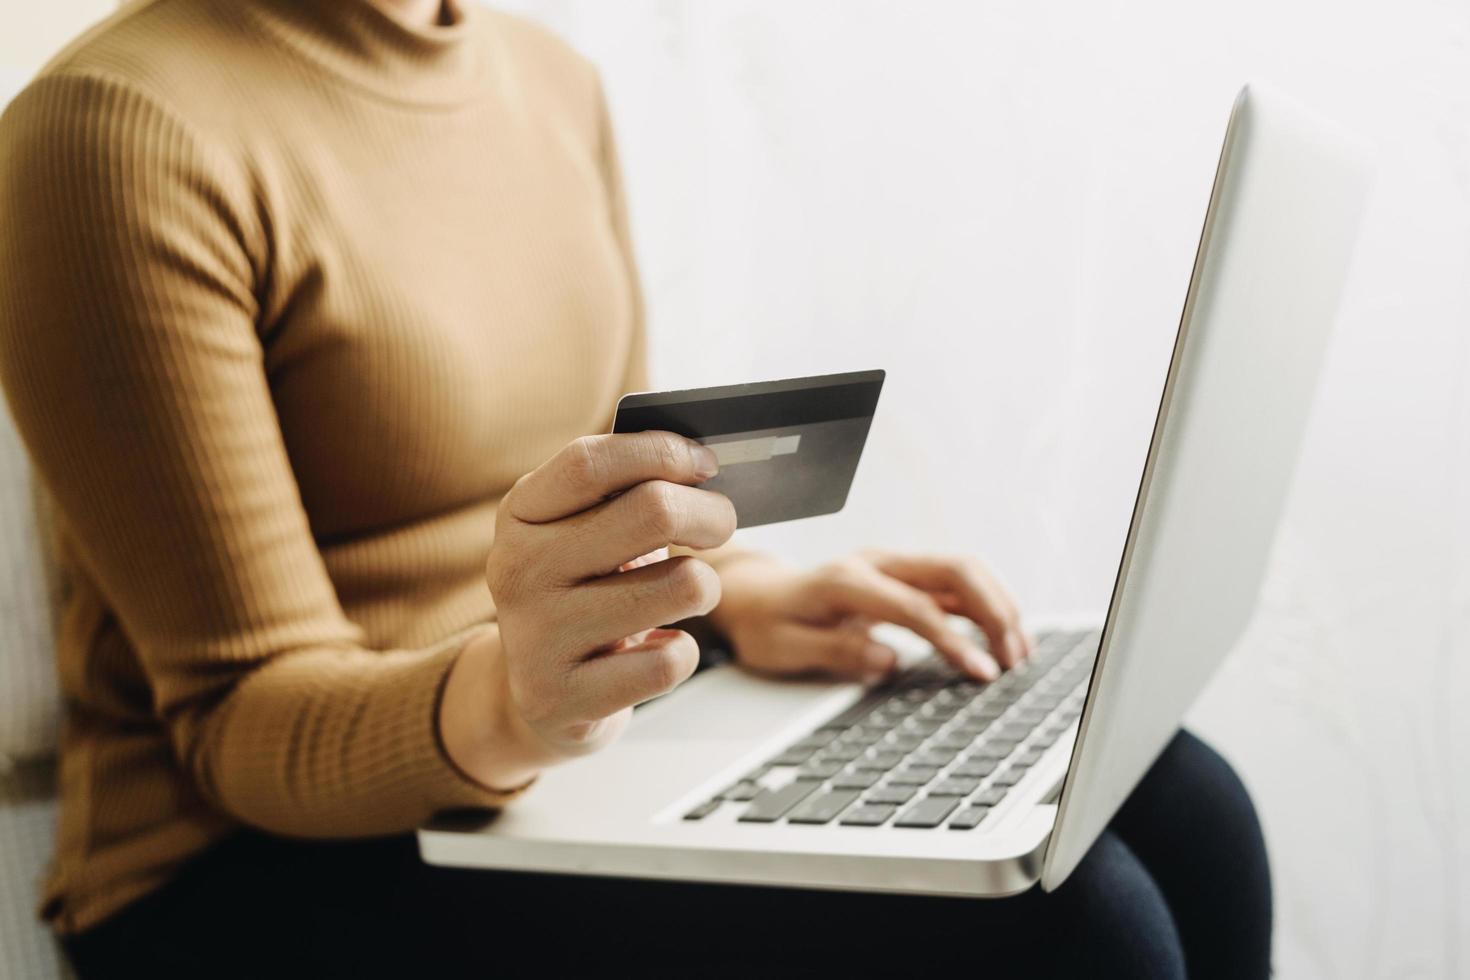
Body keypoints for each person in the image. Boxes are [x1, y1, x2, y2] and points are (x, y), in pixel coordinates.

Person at [0, 0, 1272, 976]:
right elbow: (236, 717)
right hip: (247, 866)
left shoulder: (551, 83)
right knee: (1075, 931)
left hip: (555, 731)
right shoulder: (109, 132)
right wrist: (512, 699)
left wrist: (743, 592)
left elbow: (585, 486)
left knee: (1191, 800)